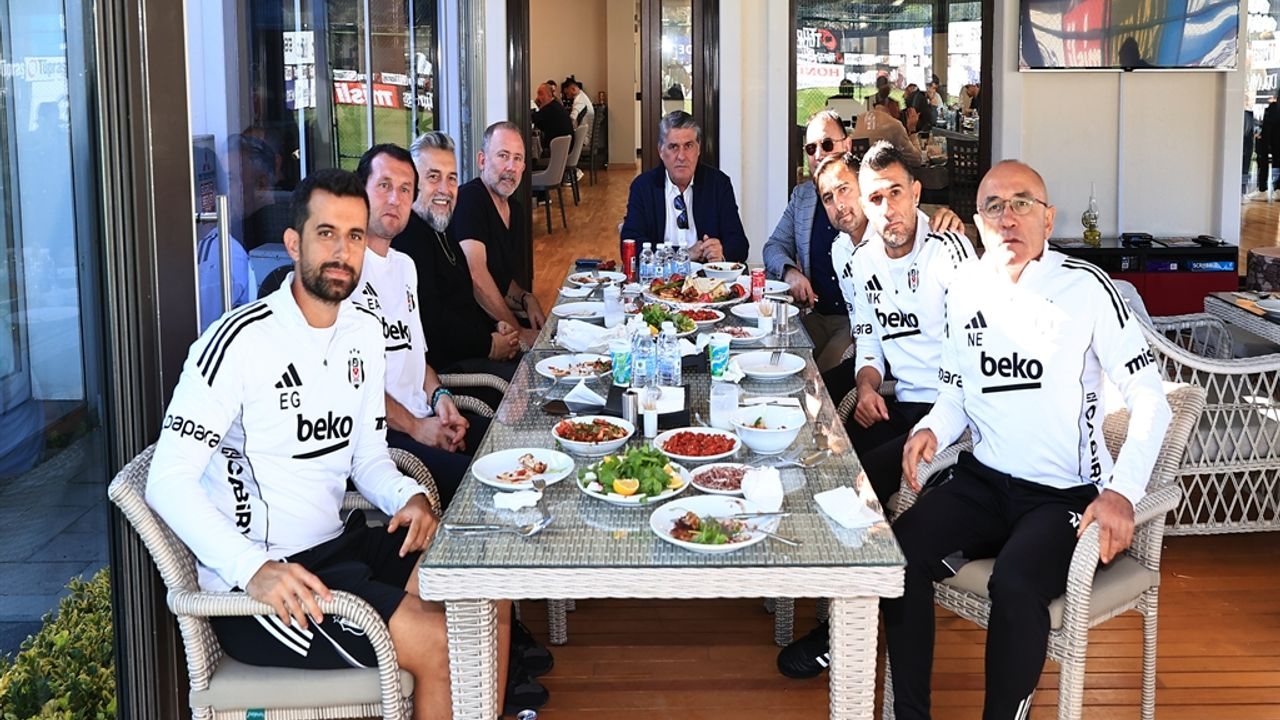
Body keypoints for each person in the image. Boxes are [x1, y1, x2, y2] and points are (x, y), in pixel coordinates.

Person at [144, 167, 538, 719]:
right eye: (325, 233)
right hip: (265, 587)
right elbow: (166, 480)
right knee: (437, 639)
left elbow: (368, 457)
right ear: (293, 243)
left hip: (338, 545)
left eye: (354, 236)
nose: (342, 252)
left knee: (484, 587)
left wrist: (407, 497)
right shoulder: (238, 343)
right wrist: (252, 568)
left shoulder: (361, 334)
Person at [886, 160, 1172, 719]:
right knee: (899, 554)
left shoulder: (1086, 288)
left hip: (1063, 497)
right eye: (994, 206)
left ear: (1048, 218)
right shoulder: (965, 289)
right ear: (978, 222)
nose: (1008, 217)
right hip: (984, 481)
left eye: (1023, 203)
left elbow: (1151, 398)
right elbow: (956, 390)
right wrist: (932, 428)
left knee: (1016, 586)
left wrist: (1122, 492)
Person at [352, 143, 491, 509]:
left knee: (512, 446)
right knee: (484, 490)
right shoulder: (345, 274)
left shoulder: (404, 266)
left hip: (425, 418)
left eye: (404, 189)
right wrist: (418, 428)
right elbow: (351, 387)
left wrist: (441, 398)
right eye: (384, 186)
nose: (395, 199)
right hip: (385, 440)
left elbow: (416, 357)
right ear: (360, 190)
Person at [392, 131, 521, 384]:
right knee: (531, 384)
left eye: (451, 178)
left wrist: (495, 326)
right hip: (448, 374)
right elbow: (432, 325)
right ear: (412, 183)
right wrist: (489, 344)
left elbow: (463, 302)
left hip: (473, 353)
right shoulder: (407, 239)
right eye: (433, 177)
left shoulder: (441, 229)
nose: (445, 189)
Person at [454, 121, 545, 350]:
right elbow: (476, 275)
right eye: (503, 156)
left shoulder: (515, 210)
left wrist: (526, 298)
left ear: (524, 167)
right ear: (482, 160)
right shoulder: (469, 200)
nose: (511, 167)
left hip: (497, 326)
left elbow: (501, 281)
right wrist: (519, 332)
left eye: (517, 158)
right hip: (472, 338)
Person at [619, 110, 749, 263]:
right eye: (673, 147)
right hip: (660, 275)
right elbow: (630, 244)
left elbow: (740, 244)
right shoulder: (643, 187)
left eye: (688, 146)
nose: (681, 156)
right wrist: (683, 254)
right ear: (661, 151)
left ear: (698, 149)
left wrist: (721, 252)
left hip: (706, 275)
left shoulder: (718, 184)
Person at [851, 104, 925, 168]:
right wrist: (912, 129)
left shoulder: (861, 119)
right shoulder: (894, 124)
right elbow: (916, 160)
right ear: (888, 103)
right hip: (885, 174)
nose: (899, 109)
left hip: (862, 173)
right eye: (897, 104)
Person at [532, 82, 572, 157]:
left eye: (541, 94)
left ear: (549, 95)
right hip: (565, 148)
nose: (538, 97)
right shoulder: (556, 105)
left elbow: (533, 118)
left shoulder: (549, 109)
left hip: (557, 151)